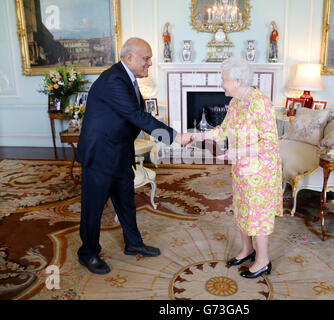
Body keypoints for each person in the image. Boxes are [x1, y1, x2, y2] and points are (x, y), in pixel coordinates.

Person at [76, 37, 191, 275]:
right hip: (100, 156)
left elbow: (135, 115)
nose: (150, 63)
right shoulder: (114, 80)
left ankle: (134, 244)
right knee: (93, 208)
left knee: (126, 202)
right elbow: (137, 116)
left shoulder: (127, 78)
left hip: (119, 152)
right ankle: (88, 253)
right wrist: (175, 136)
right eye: (146, 58)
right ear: (128, 58)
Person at [191, 57, 283, 279]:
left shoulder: (259, 103)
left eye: (224, 80)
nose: (221, 84)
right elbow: (223, 131)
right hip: (242, 168)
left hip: (261, 170)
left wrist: (237, 152)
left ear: (238, 81)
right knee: (243, 208)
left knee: (258, 214)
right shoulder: (236, 102)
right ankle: (247, 250)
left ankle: (263, 261)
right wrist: (197, 135)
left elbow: (270, 143)